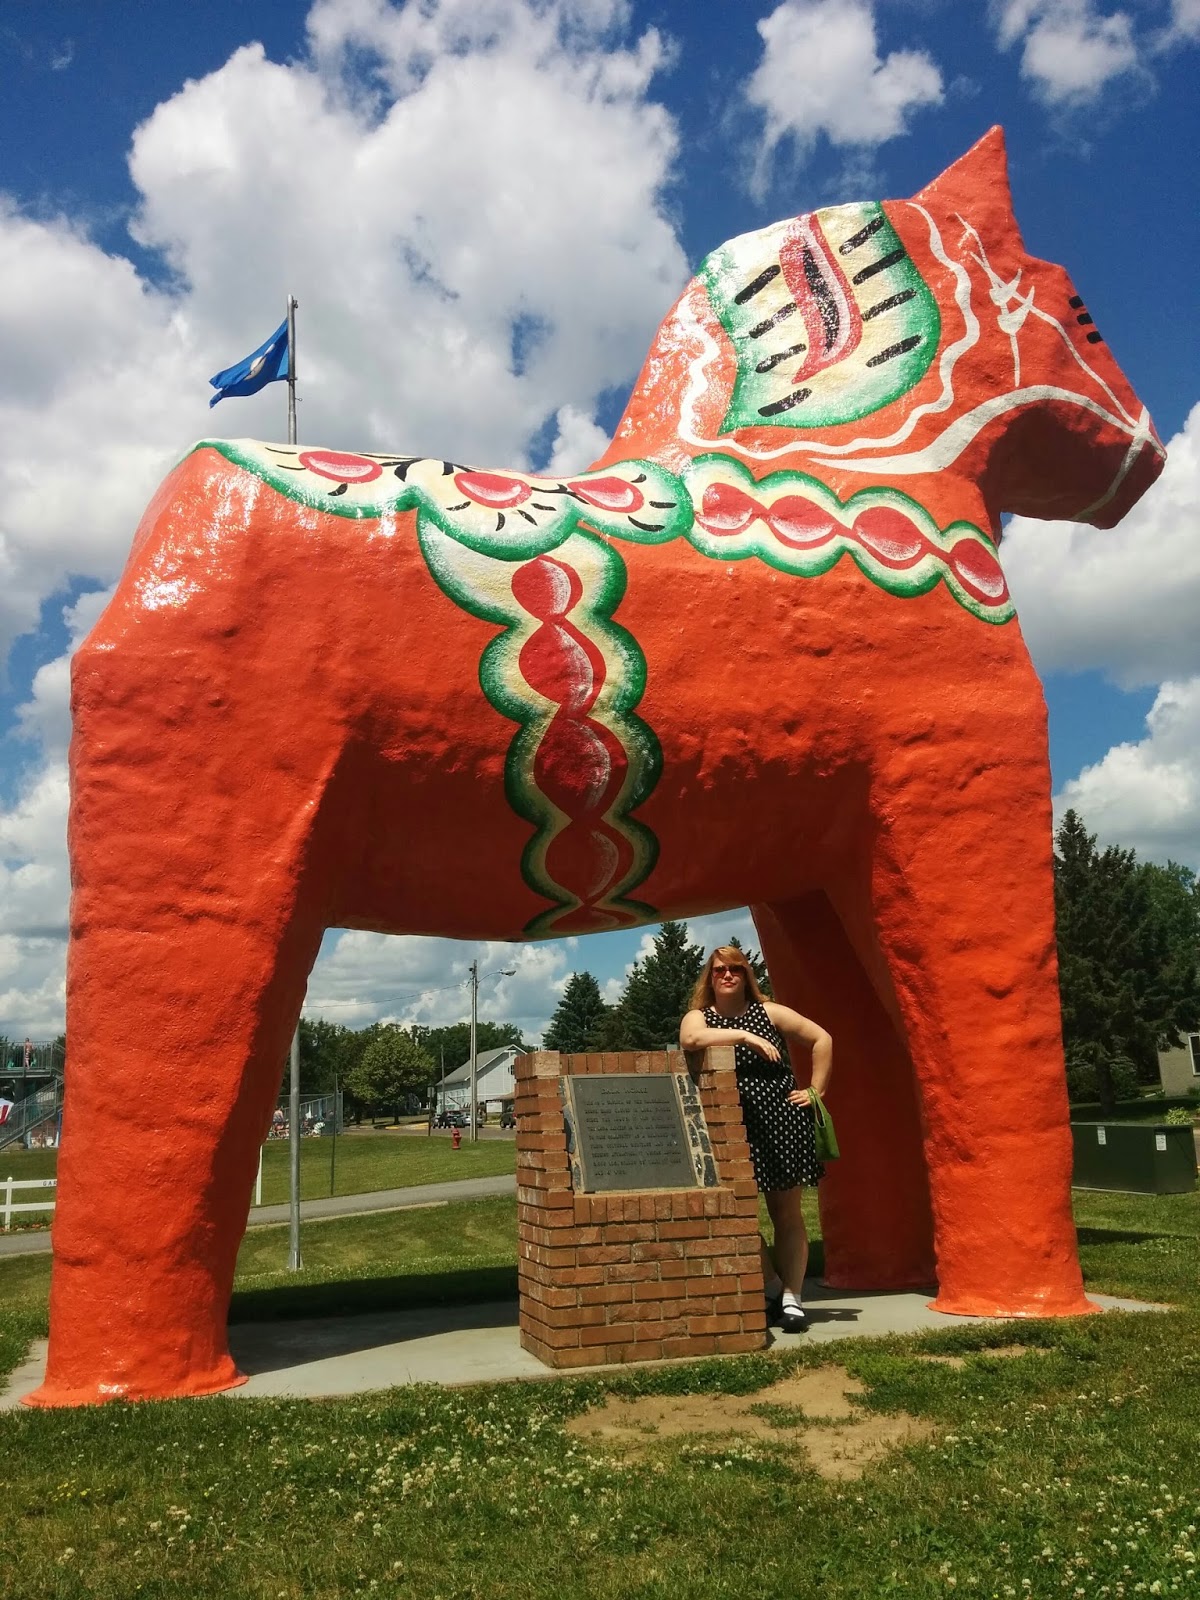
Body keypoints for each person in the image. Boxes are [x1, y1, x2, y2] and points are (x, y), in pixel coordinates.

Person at [680, 946, 832, 1334]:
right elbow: (691, 1038)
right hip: (732, 1127)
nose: (727, 975)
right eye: (719, 970)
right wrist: (745, 1037)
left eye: (735, 969)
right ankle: (772, 1285)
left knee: (787, 1214)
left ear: (746, 975)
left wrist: (815, 1091)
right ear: (709, 977)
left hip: (781, 1121)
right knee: (736, 1214)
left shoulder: (771, 1012)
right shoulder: (702, 1016)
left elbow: (822, 1039)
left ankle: (793, 1298)